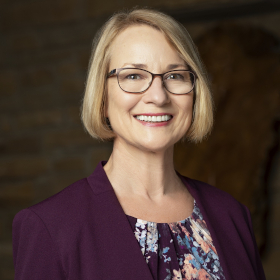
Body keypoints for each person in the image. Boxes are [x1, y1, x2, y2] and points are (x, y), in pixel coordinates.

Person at [12, 8, 266, 280]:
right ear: (102, 96)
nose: (158, 96)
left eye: (175, 75)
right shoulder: (49, 226)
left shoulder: (232, 215)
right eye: (133, 76)